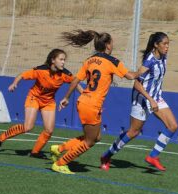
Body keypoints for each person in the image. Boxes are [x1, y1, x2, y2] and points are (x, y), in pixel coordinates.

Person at [50, 29, 141, 174]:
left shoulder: (89, 60)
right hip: (92, 105)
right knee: (90, 141)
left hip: (83, 101)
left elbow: (76, 80)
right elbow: (130, 76)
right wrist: (142, 71)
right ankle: (61, 163)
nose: (113, 45)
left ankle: (59, 148)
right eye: (112, 43)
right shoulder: (112, 61)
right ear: (107, 45)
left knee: (96, 137)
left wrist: (66, 97)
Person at [100, 32, 178, 172]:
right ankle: (106, 156)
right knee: (133, 132)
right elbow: (136, 84)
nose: (167, 47)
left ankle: (153, 156)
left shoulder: (163, 57)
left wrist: (154, 99)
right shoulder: (149, 61)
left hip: (156, 97)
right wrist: (150, 100)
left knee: (173, 126)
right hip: (142, 99)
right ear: (156, 45)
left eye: (168, 44)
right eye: (164, 44)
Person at [0, 49, 82, 158]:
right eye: (61, 59)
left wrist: (84, 94)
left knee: (49, 130)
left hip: (48, 102)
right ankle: (1, 138)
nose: (63, 62)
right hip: (34, 98)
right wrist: (15, 83)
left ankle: (35, 152)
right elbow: (22, 75)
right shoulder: (41, 70)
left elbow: (75, 82)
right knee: (28, 127)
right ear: (53, 60)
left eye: (64, 60)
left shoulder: (65, 74)